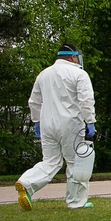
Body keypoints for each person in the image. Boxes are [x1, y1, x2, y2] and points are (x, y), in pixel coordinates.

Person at [16, 43, 97, 210]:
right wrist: (90, 121)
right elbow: (86, 101)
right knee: (75, 162)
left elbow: (34, 101)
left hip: (47, 124)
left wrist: (36, 121)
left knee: (50, 161)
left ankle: (26, 182)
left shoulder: (43, 74)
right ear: (74, 57)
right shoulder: (79, 74)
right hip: (71, 124)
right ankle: (76, 202)